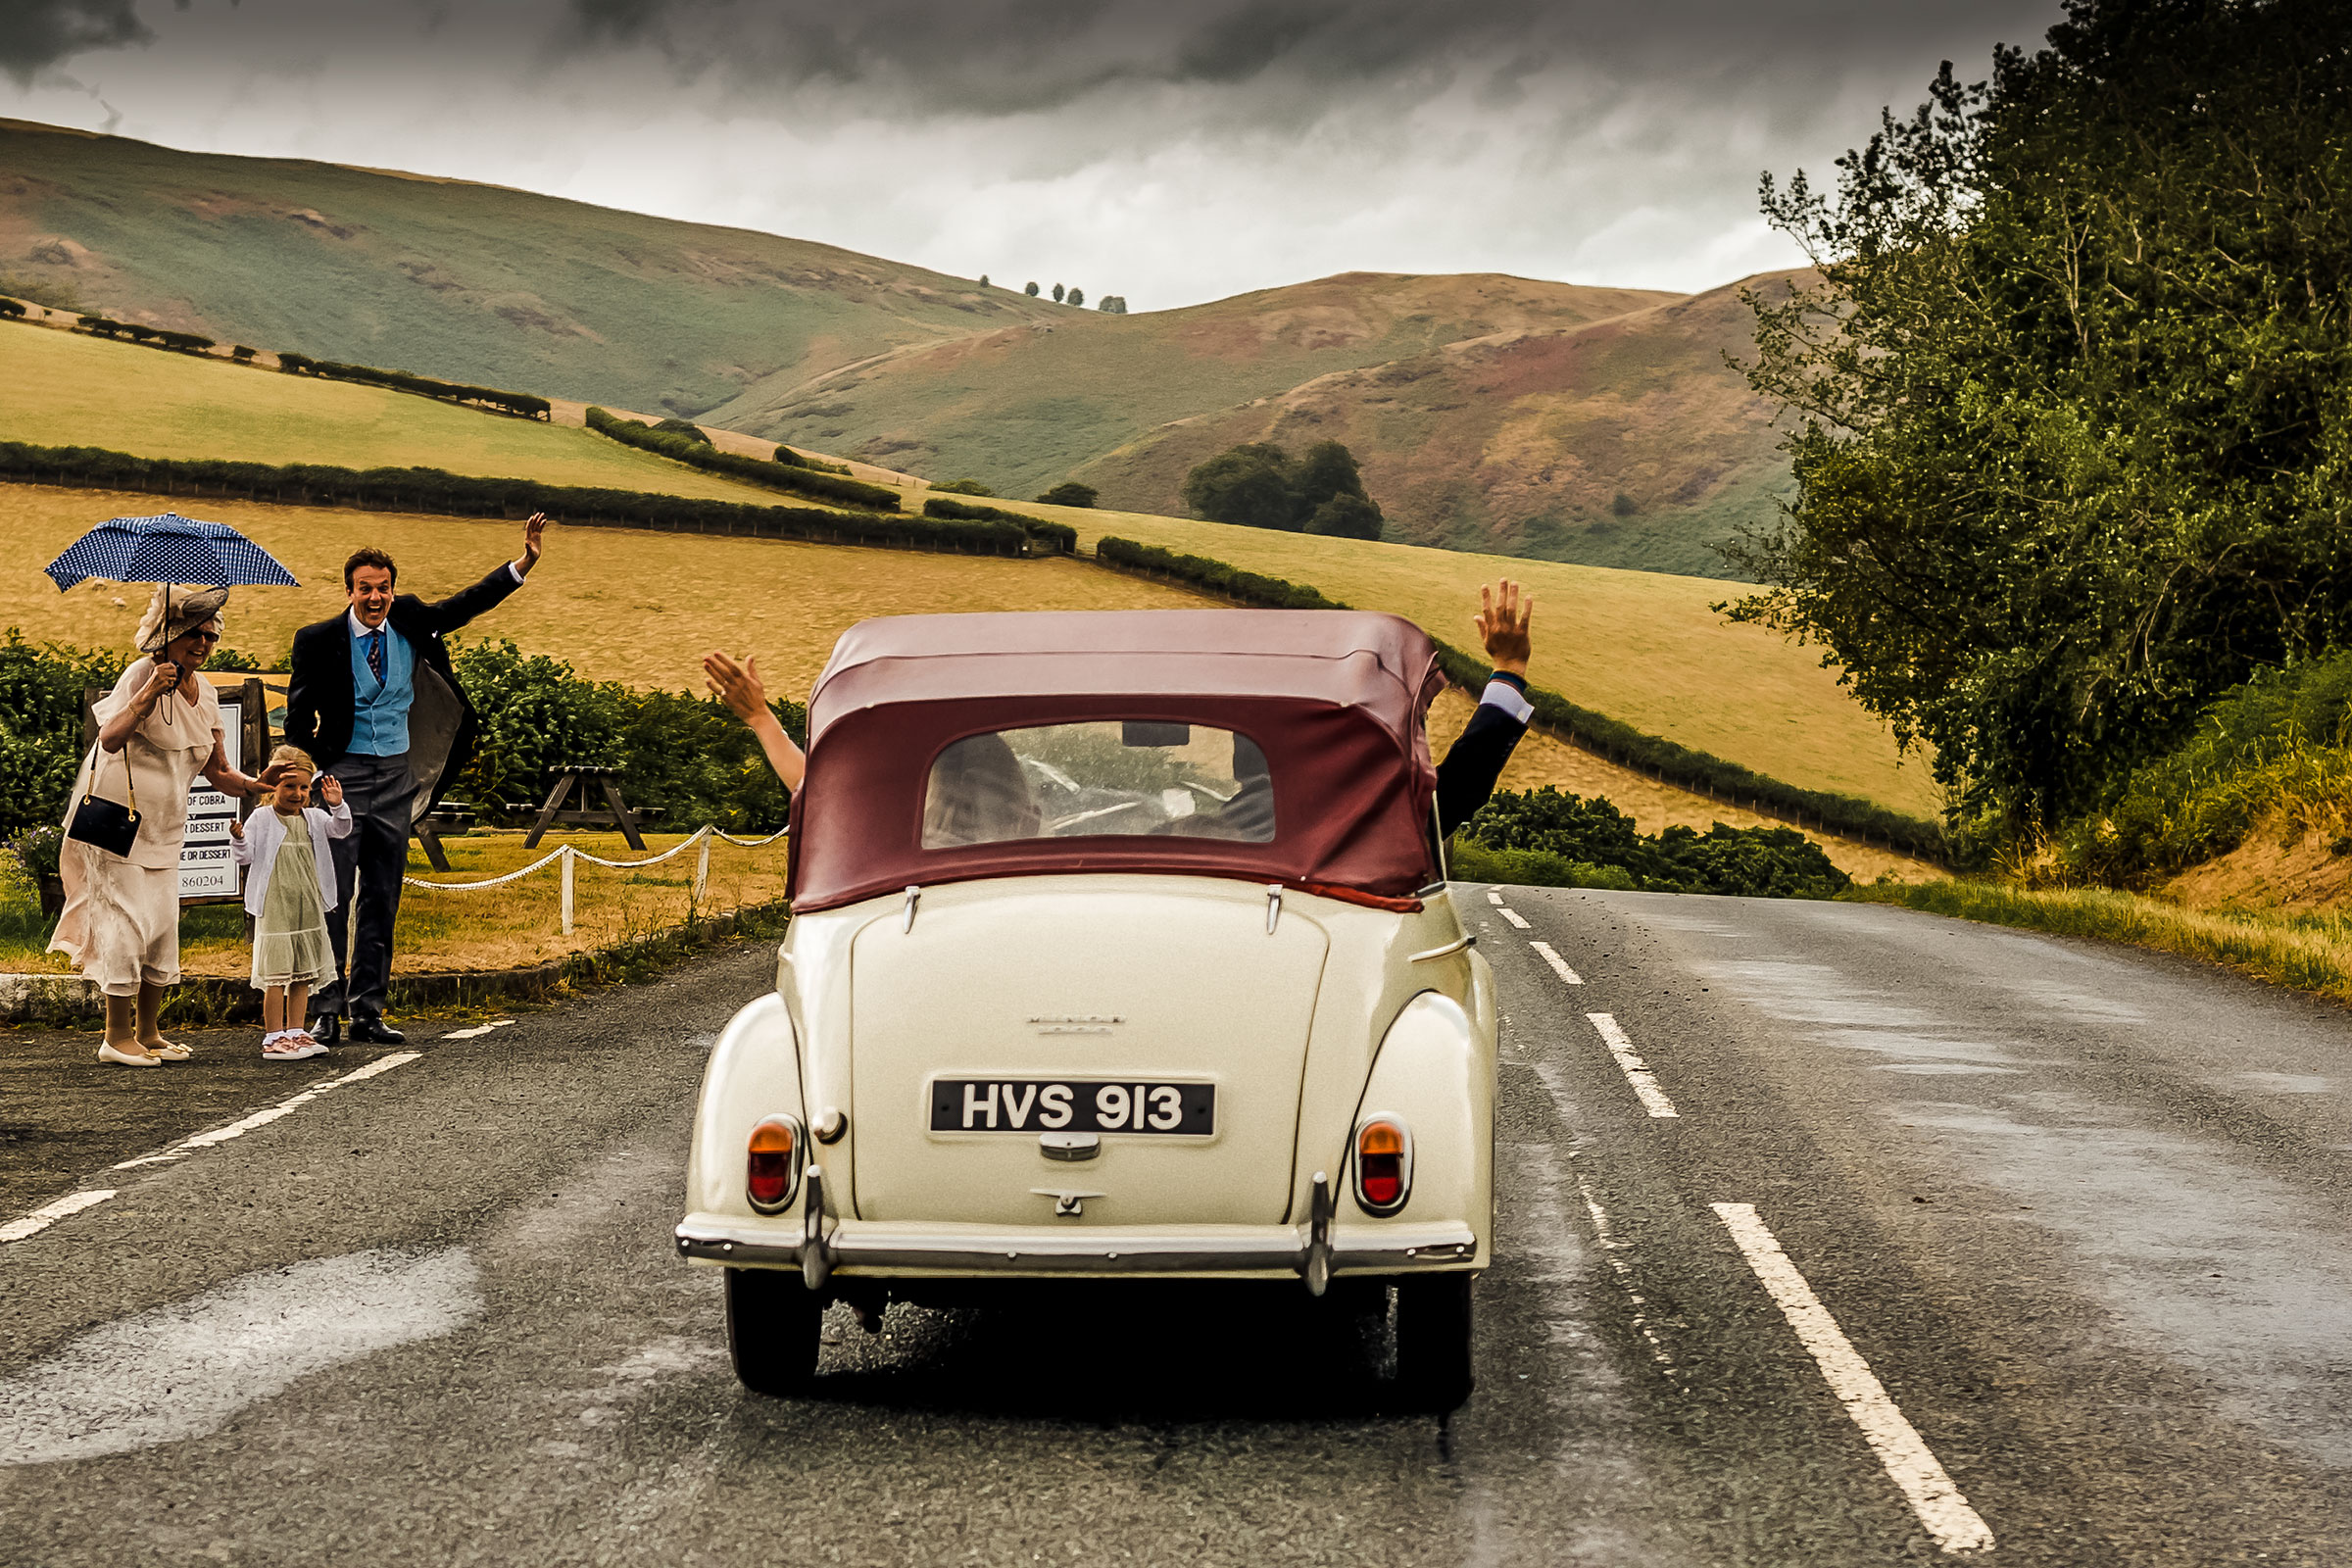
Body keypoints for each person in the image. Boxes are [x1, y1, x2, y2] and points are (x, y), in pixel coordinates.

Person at [699, 577, 1539, 838]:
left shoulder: (1165, 838)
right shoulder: (1352, 830)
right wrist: (1504, 669)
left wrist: (760, 719)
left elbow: (829, 798)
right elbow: (1456, 793)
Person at [284, 514, 549, 1045]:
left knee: (382, 895)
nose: (376, 597)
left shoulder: (409, 619)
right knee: (333, 896)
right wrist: (314, 770)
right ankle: (326, 1008)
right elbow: (297, 717)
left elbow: (464, 605)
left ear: (392, 589)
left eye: (383, 588)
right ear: (349, 591)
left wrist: (523, 564)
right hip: (343, 777)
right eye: (366, 589)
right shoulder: (317, 640)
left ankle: (368, 1010)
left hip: (397, 775)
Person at [51, 586, 288, 1067]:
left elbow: (217, 771)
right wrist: (146, 693)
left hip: (164, 829)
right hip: (116, 826)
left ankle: (149, 1032)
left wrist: (255, 784)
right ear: (169, 634)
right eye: (193, 634)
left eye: (210, 636)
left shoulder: (205, 696)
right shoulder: (142, 674)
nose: (202, 644)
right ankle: (115, 1038)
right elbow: (111, 739)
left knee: (161, 925)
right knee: (126, 924)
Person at [228, 746, 353, 1061]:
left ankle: (297, 1031)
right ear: (273, 787)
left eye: (304, 787)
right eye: (289, 786)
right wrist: (239, 838)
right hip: (276, 903)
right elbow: (246, 857)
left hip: (306, 902)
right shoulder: (262, 817)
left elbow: (341, 830)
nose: (297, 794)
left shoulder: (314, 817)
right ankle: (273, 1037)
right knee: (277, 973)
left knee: (302, 973)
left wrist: (338, 806)